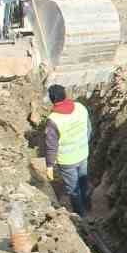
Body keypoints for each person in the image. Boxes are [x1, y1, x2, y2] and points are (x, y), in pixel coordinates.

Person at [43, 84, 90, 215]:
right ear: (65, 95)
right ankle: (88, 205)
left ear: (52, 99)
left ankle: (81, 216)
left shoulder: (54, 120)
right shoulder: (81, 108)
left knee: (73, 189)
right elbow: (88, 130)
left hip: (67, 161)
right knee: (83, 181)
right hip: (83, 153)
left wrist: (49, 166)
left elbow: (51, 145)